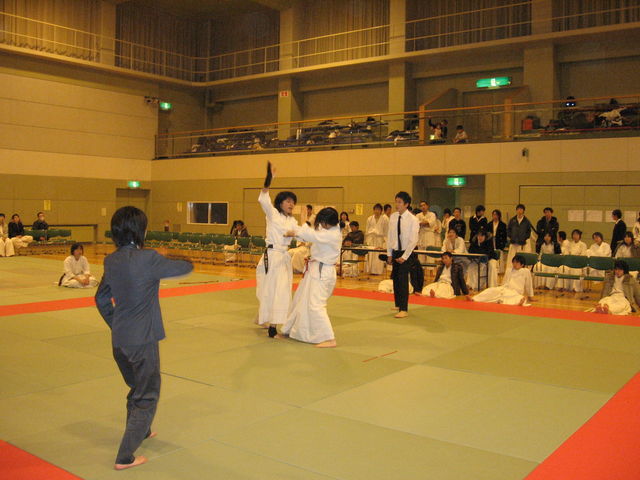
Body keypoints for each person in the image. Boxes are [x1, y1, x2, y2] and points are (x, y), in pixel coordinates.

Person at [95, 206, 193, 471]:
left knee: (137, 387)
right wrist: (166, 255)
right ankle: (125, 456)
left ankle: (143, 429)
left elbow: (101, 299)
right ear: (142, 230)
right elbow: (186, 266)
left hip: (120, 341)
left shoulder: (111, 260)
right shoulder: (148, 258)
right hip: (143, 340)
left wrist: (117, 324)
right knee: (147, 395)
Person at [281, 207, 342, 347]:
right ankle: (290, 330)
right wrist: (297, 232)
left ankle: (329, 338)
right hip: (315, 270)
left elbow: (310, 235)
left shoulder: (331, 234)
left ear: (326, 222)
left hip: (322, 272)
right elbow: (309, 235)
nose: (320, 225)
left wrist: (306, 223)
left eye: (321, 222)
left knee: (315, 305)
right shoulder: (329, 229)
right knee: (300, 300)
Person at [255, 163, 298, 338]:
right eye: (288, 201)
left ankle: (272, 324)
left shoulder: (293, 221)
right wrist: (269, 179)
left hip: (284, 257)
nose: (291, 204)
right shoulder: (272, 214)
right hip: (271, 256)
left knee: (281, 291)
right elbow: (263, 198)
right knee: (268, 290)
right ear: (280, 203)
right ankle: (265, 320)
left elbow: (299, 232)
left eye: (293, 201)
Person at [386, 191, 420, 318]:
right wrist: (389, 253)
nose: (397, 204)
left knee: (403, 279)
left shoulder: (413, 219)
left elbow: (413, 240)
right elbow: (390, 236)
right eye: (396, 201)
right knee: (395, 278)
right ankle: (398, 303)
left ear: (406, 204)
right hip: (396, 251)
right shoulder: (393, 217)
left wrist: (404, 256)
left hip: (407, 252)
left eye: (400, 202)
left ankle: (404, 308)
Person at [365, 204, 389, 275]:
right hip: (371, 239)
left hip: (380, 239)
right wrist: (367, 239)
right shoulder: (369, 219)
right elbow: (367, 230)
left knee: (378, 255)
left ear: (381, 211)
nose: (377, 211)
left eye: (378, 209)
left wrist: (385, 240)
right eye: (376, 209)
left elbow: (386, 231)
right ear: (373, 210)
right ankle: (370, 270)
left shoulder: (384, 219)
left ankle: (378, 271)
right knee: (371, 255)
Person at [490, 209, 508, 273]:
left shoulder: (503, 225)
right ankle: (493, 269)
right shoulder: (489, 224)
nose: (495, 216)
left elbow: (505, 236)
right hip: (491, 241)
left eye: (496, 215)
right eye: (493, 215)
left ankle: (500, 270)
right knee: (492, 253)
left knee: (499, 255)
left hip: (499, 241)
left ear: (499, 216)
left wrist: (503, 244)